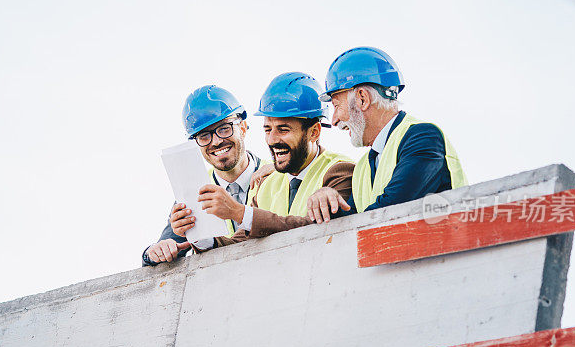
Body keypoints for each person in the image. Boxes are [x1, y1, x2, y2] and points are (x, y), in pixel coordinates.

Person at [171, 72, 355, 248]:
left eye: (283, 130)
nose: (272, 140)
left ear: (314, 132)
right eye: (268, 129)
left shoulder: (340, 171)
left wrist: (238, 212)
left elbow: (314, 232)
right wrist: (199, 238)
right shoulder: (265, 183)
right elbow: (239, 244)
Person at [305, 47, 468, 223]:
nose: (335, 120)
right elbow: (350, 223)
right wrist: (327, 201)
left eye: (337, 106)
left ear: (362, 98)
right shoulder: (362, 168)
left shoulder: (423, 138)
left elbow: (390, 211)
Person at [142, 85, 269, 266]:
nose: (216, 141)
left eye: (224, 129)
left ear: (243, 127)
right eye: (204, 136)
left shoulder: (275, 176)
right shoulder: (193, 192)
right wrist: (153, 253)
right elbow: (160, 253)